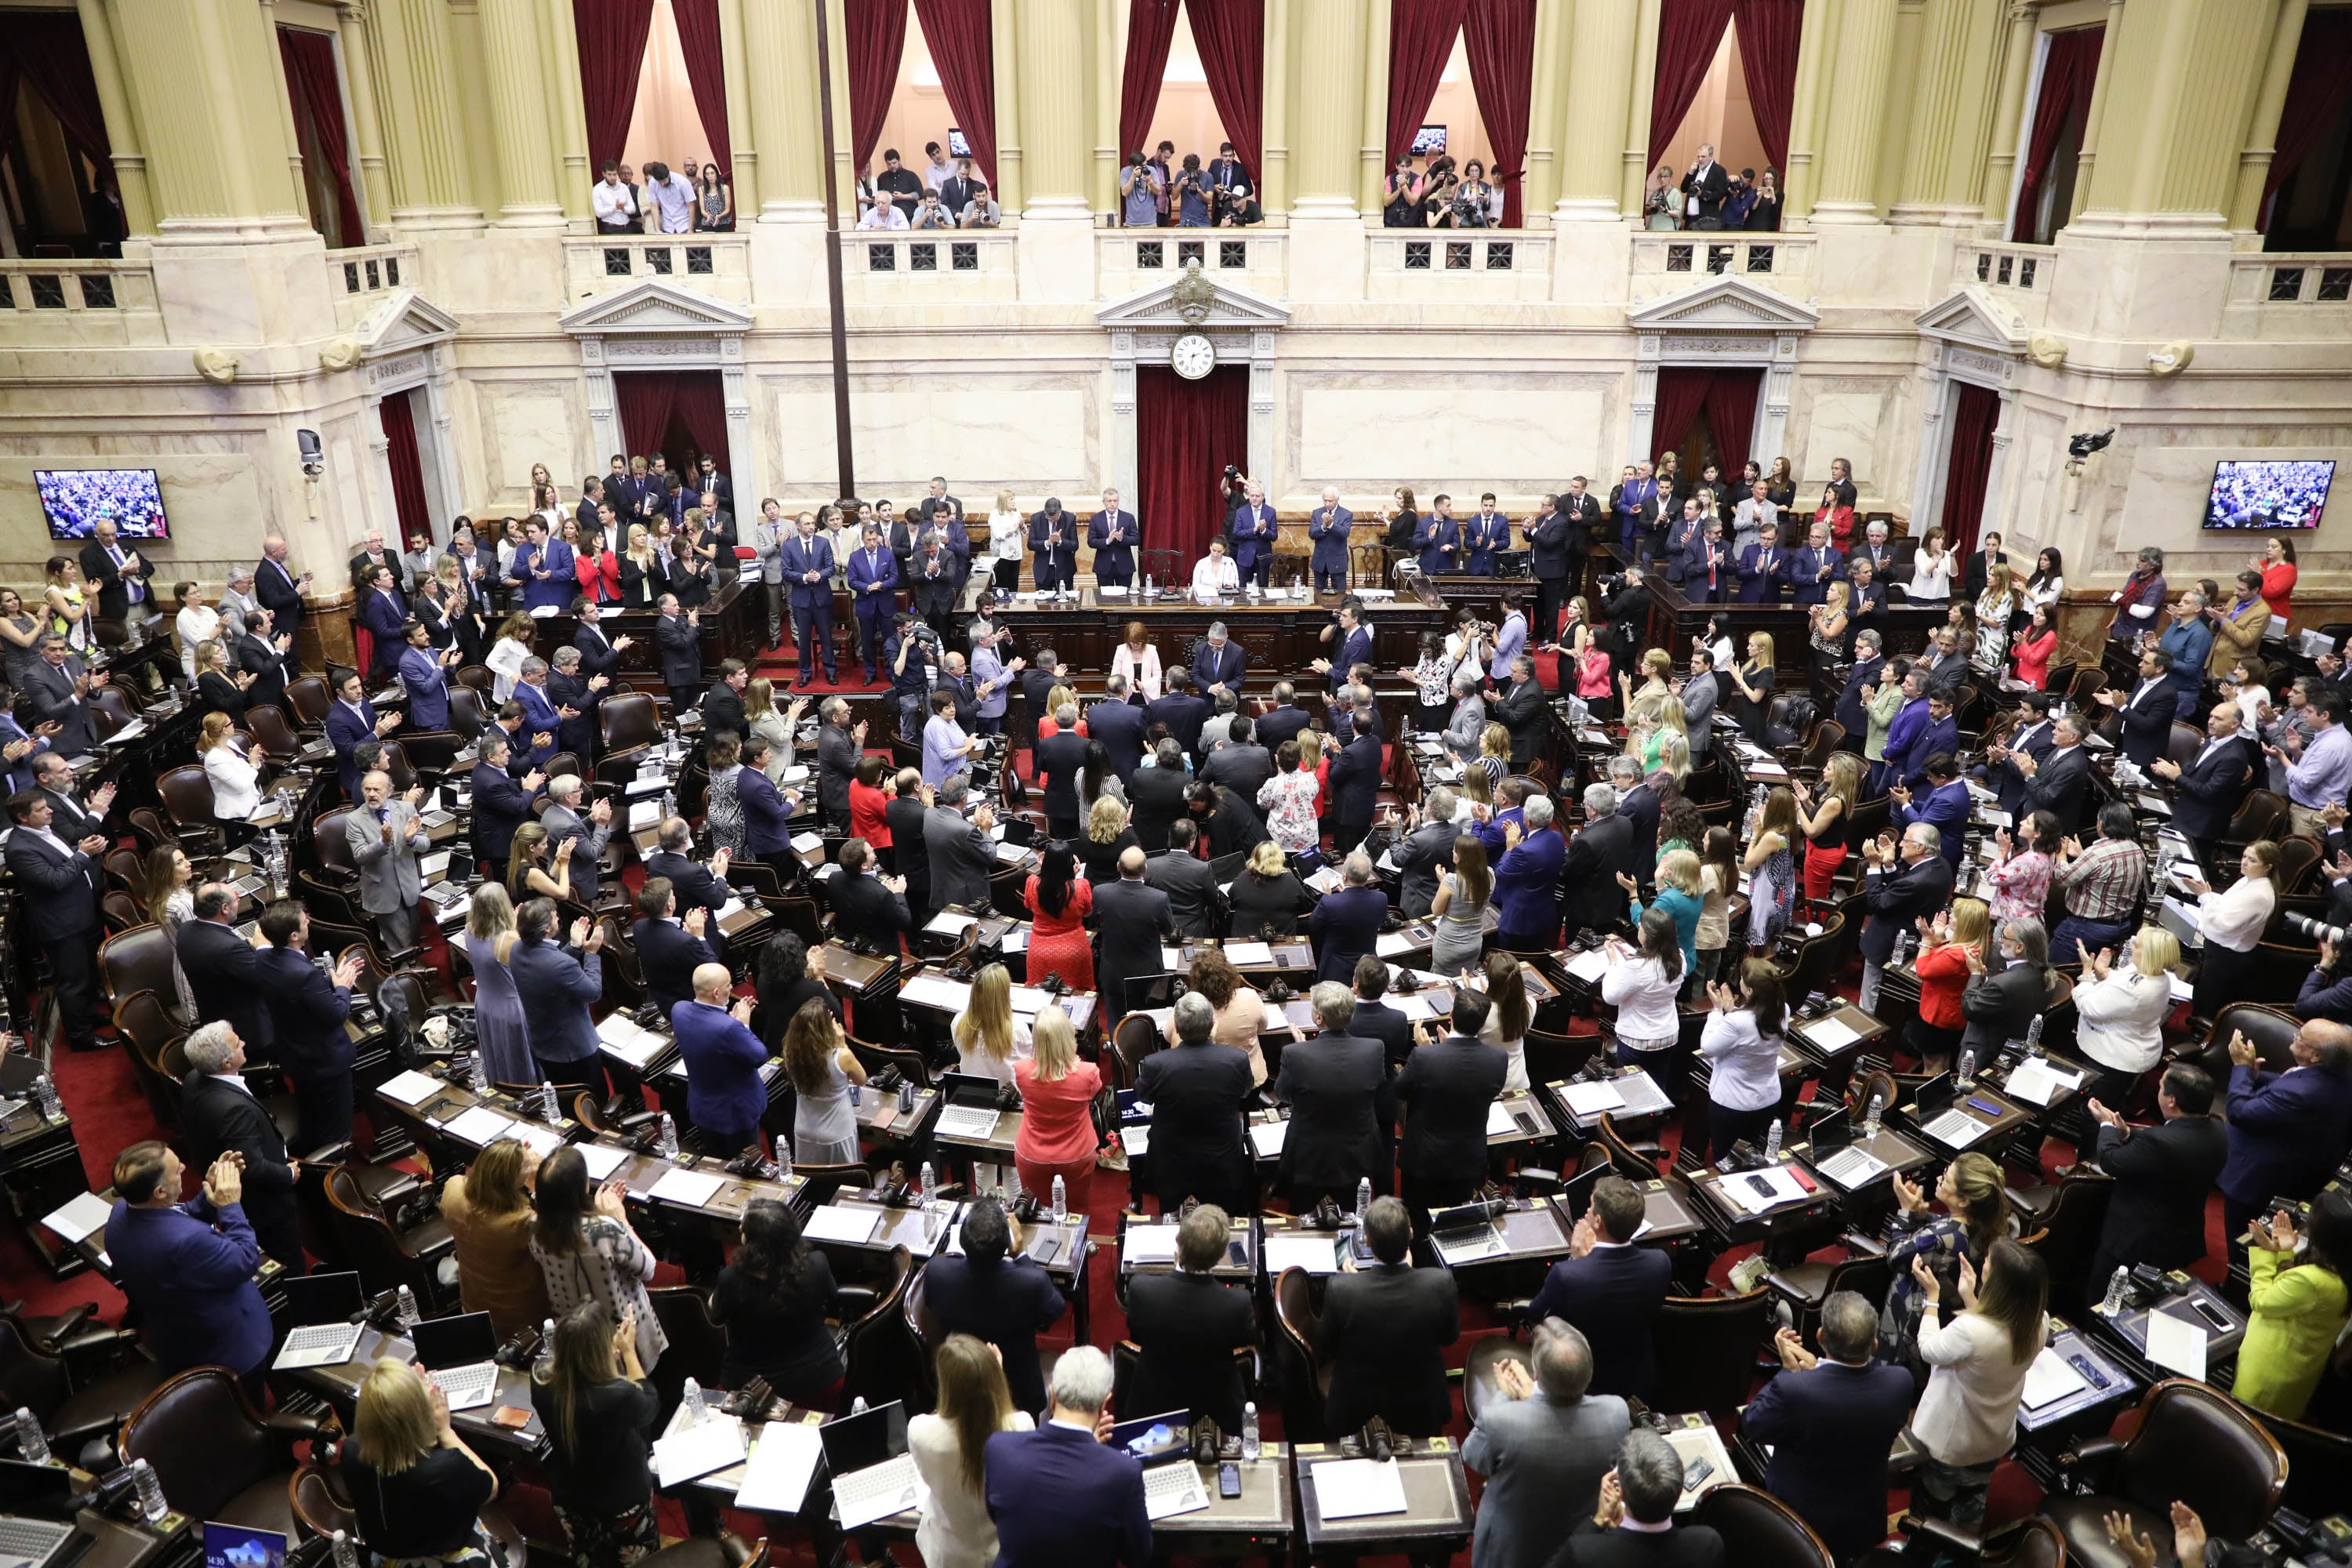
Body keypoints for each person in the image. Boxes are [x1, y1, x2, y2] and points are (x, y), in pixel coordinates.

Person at [1740, 1293, 1918, 1564]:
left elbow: (1752, 1423)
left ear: (1821, 1337)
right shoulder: (1900, 1383)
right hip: (1861, 1519)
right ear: (1874, 1344)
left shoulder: (1794, 1390)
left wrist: (1790, 1371)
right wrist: (1817, 1370)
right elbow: (1845, 1397)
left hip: (1798, 1525)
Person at [1465, 1320, 1631, 1568]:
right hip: (1584, 1543)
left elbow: (1472, 1457)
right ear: (1589, 1371)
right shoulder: (1617, 1412)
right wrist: (1532, 1400)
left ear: (1537, 1375)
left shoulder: (1499, 1420)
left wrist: (1506, 1396)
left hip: (1513, 1553)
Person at [106, 1142, 271, 1386]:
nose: (184, 1167)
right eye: (177, 1170)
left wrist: (211, 1194)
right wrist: (230, 1206)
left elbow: (181, 1216)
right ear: (160, 1192)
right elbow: (246, 1259)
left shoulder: (119, 1214)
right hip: (228, 1350)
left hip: (177, 1334)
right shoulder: (187, 1242)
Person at [1909, 1239, 2049, 1527]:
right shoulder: (2039, 1322)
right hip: (1992, 1439)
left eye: (1987, 1262)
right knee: (1970, 1508)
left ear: (1997, 1282)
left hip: (1950, 1443)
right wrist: (1970, 1298)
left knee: (1931, 1515)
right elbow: (1993, 1337)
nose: (1982, 1264)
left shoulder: (1970, 1331)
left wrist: (1933, 1298)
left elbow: (1928, 1348)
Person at [2078, 1062, 2228, 1305]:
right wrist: (2127, 1134)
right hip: (2180, 1234)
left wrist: (2105, 1125)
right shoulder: (2218, 1129)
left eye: (2161, 1087)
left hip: (2136, 1241)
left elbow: (2111, 1160)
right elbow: (2168, 1149)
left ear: (2172, 1101)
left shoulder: (2160, 1142)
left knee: (2105, 1299)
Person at [530, 1301, 659, 1568]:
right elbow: (649, 1404)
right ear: (603, 1348)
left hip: (571, 1496)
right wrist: (628, 1351)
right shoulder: (617, 1396)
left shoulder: (541, 1381)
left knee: (587, 1558)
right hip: (622, 1499)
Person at [1316, 1196, 1459, 1437]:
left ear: (1368, 1242)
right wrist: (1413, 1274)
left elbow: (1324, 1347)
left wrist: (1353, 1282)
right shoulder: (1440, 1283)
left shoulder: (1341, 1288)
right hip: (1421, 1406)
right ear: (1411, 1234)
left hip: (1358, 1407)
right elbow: (1450, 1338)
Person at [339, 1358, 500, 1566]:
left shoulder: (351, 1450)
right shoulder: (445, 1468)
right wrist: (445, 1431)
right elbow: (492, 1487)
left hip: (387, 1559)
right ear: (417, 1416)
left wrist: (406, 1397)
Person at [1527, 1175, 1673, 1400]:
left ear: (1598, 1222)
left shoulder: (1568, 1274)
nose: (1586, 1211)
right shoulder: (1660, 1262)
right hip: (1638, 1378)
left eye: (1590, 1206)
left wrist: (1576, 1261)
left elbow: (1537, 1316)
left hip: (1582, 1381)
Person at [927, 1197, 1069, 1417]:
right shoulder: (1032, 1282)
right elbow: (1056, 1309)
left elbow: (931, 1303)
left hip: (960, 1385)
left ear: (963, 1241)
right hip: (1019, 1394)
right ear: (1008, 1242)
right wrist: (1021, 1256)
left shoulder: (937, 1272)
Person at [2218, 1019, 2352, 1250]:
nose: (2295, 1037)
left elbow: (2240, 1113)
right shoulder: (2339, 1074)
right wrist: (2255, 1075)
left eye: (2300, 1038)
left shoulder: (2303, 1093)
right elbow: (2293, 1081)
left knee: (2246, 1242)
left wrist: (2241, 1067)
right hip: (2304, 1168)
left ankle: (2236, 1283)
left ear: (2316, 1056)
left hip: (2258, 1178)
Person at [1124, 1203, 1256, 1432]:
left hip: (1154, 1404)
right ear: (1220, 1255)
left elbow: (1136, 1332)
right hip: (1217, 1409)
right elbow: (1244, 1339)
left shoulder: (1141, 1290)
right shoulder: (1238, 1303)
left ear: (1178, 1240)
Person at [708, 1199, 842, 1406]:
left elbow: (716, 1316)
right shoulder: (818, 1263)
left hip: (750, 1392)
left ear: (750, 1242)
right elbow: (833, 1300)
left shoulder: (731, 1279)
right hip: (819, 1381)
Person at [2233, 1192, 2351, 1421]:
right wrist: (2282, 1250)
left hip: (2267, 1375)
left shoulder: (2313, 1281)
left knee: (2244, 1429)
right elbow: (2291, 1293)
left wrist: (2267, 1253)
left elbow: (2262, 1300)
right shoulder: (2342, 1273)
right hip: (2296, 1375)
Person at [4, 787, 105, 1051]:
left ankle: (86, 1016)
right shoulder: (19, 849)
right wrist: (83, 853)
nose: (50, 811)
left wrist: (84, 849)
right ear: (23, 817)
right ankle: (80, 1037)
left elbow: (63, 857)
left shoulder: (43, 830)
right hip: (62, 925)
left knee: (87, 973)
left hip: (81, 914)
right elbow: (54, 880)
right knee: (73, 982)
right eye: (41, 809)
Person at [1396, 989, 1508, 1210]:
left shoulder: (1425, 1057)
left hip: (1423, 1160)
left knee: (1418, 1225)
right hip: (1466, 1161)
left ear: (1451, 1017)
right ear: (1483, 1023)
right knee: (1457, 1227)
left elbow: (1400, 1091)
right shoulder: (1498, 1059)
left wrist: (1431, 1052)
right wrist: (1439, 1053)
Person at [1544, 1430, 1725, 1568]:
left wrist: (1599, 1520)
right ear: (1678, 1491)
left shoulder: (1583, 1554)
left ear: (1620, 1492)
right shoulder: (1708, 1545)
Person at [439, 1137, 551, 1341]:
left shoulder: (453, 1190)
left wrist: (511, 1158)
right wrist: (536, 1182)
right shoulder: (520, 1223)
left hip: (474, 1308)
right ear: (510, 1183)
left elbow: (476, 1182)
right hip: (521, 1322)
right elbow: (558, 1234)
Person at [1695, 959, 1786, 1161]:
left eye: (1743, 979)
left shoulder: (1738, 1023)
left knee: (1726, 1161)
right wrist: (1731, 1011)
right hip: (1767, 1099)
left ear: (1750, 991)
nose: (1740, 982)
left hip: (1733, 1104)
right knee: (1752, 1155)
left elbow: (1708, 1047)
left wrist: (1718, 1011)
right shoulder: (1782, 1010)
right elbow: (1751, 1027)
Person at [1014, 1006, 1099, 1211]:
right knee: (1076, 1213)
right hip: (1077, 1155)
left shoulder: (1021, 1071)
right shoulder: (1089, 1074)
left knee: (1035, 1214)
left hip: (1032, 1155)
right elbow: (1094, 1094)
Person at [1309, 851, 1387, 982]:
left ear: (1344, 876)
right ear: (1368, 876)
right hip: (1368, 969)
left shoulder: (1330, 902)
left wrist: (1327, 895)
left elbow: (1313, 926)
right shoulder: (1381, 899)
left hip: (1335, 970)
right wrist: (1345, 893)